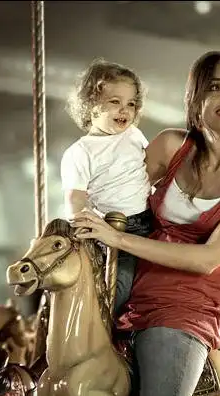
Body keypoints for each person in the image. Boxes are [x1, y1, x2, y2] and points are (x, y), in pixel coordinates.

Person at [70, 50, 220, 396]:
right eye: (216, 87)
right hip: (127, 287)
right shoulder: (172, 147)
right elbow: (110, 186)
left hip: (183, 311)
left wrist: (118, 238)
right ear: (196, 99)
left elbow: (208, 259)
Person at [60, 58, 153, 317]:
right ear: (91, 106)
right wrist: (86, 225)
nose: (125, 110)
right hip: (115, 228)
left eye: (131, 104)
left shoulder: (134, 135)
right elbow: (76, 198)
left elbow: (149, 171)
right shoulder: (81, 152)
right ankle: (106, 329)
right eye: (115, 102)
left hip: (152, 221)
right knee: (117, 287)